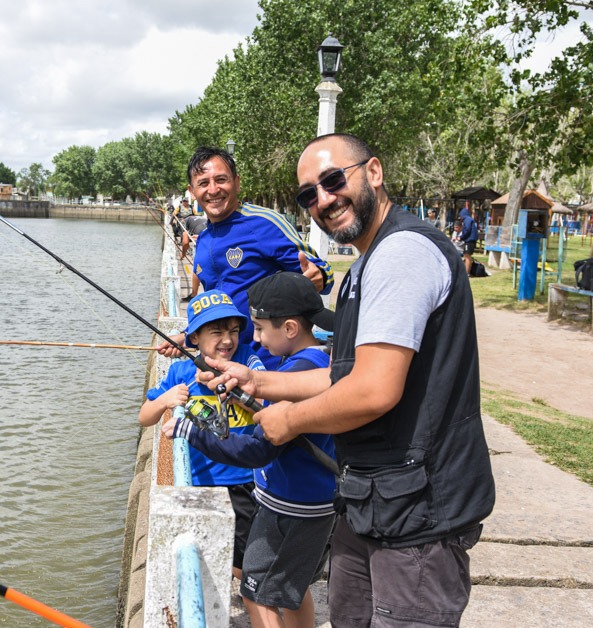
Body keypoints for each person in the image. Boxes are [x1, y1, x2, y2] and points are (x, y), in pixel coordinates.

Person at [199, 133, 496, 627]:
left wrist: (288, 421)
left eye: (333, 181)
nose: (324, 200)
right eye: (308, 195)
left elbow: (374, 389)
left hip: (419, 511)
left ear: (373, 172)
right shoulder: (367, 264)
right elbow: (344, 374)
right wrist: (255, 380)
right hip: (372, 501)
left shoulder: (402, 253)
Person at [163, 272, 336, 628]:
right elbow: (279, 409)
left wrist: (190, 431)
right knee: (292, 589)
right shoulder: (317, 362)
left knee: (257, 593)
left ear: (289, 328)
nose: (254, 339)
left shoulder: (298, 371)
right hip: (316, 503)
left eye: (258, 328)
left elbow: (257, 451)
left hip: (291, 508)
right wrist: (245, 392)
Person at [158, 146, 335, 368]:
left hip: (274, 365)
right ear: (192, 191)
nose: (213, 190)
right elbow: (216, 304)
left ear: (237, 182)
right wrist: (186, 337)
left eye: (221, 180)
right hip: (230, 367)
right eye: (203, 183)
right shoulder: (202, 240)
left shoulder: (263, 222)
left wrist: (319, 276)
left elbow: (323, 271)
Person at [139, 289, 264, 579]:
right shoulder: (181, 372)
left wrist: (229, 387)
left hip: (245, 480)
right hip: (200, 482)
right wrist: (165, 399)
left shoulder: (248, 359)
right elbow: (144, 417)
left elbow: (262, 390)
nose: (228, 340)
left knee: (244, 562)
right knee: (206, 555)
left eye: (234, 331)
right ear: (193, 338)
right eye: (216, 332)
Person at [459, 204, 478, 274]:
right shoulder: (469, 219)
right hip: (469, 240)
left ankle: (466, 272)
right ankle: (466, 271)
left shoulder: (467, 220)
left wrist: (461, 237)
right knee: (466, 255)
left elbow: (467, 230)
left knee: (467, 256)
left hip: (470, 240)